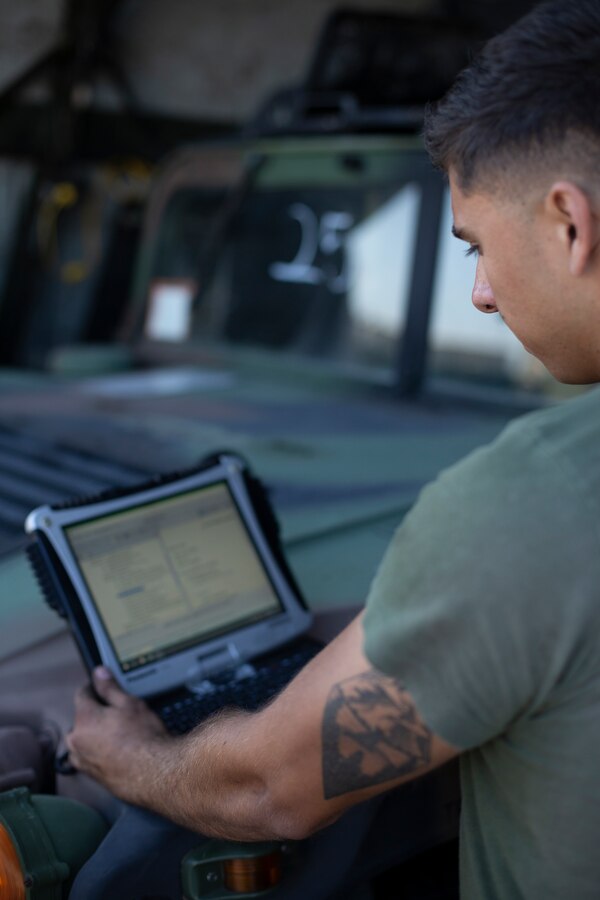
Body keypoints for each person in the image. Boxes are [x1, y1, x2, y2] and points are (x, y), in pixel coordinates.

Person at [67, 1, 600, 896]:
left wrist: (129, 755)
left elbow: (272, 789)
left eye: (474, 246)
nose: (479, 295)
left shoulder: (535, 496)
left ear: (568, 223)